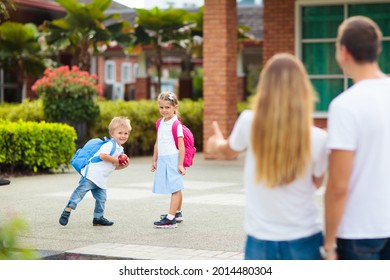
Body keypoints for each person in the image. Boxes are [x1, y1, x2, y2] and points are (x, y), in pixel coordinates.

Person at [207, 53, 328, 260]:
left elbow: (227, 151)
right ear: (303, 90)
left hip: (259, 242)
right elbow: (316, 183)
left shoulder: (248, 122)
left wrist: (214, 143)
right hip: (305, 239)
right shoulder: (318, 138)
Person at [322, 16, 390, 260]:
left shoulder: (345, 105)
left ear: (343, 52)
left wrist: (329, 244)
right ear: (377, 50)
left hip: (359, 232)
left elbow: (338, 186)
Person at [59, 116, 131, 227]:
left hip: (101, 179)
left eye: (126, 133)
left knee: (102, 199)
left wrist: (123, 165)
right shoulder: (109, 145)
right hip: (91, 175)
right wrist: (116, 159)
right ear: (112, 134)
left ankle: (98, 218)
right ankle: (67, 210)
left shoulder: (120, 150)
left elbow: (113, 166)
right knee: (80, 193)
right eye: (120, 133)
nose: (123, 136)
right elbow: (103, 156)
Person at [151, 91, 185, 229]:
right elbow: (157, 142)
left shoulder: (176, 125)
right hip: (163, 159)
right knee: (176, 187)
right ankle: (177, 213)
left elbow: (182, 147)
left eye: (167, 107)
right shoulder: (160, 123)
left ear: (175, 107)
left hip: (173, 159)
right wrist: (155, 160)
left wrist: (181, 164)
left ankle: (171, 219)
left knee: (175, 188)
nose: (164, 110)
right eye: (161, 107)